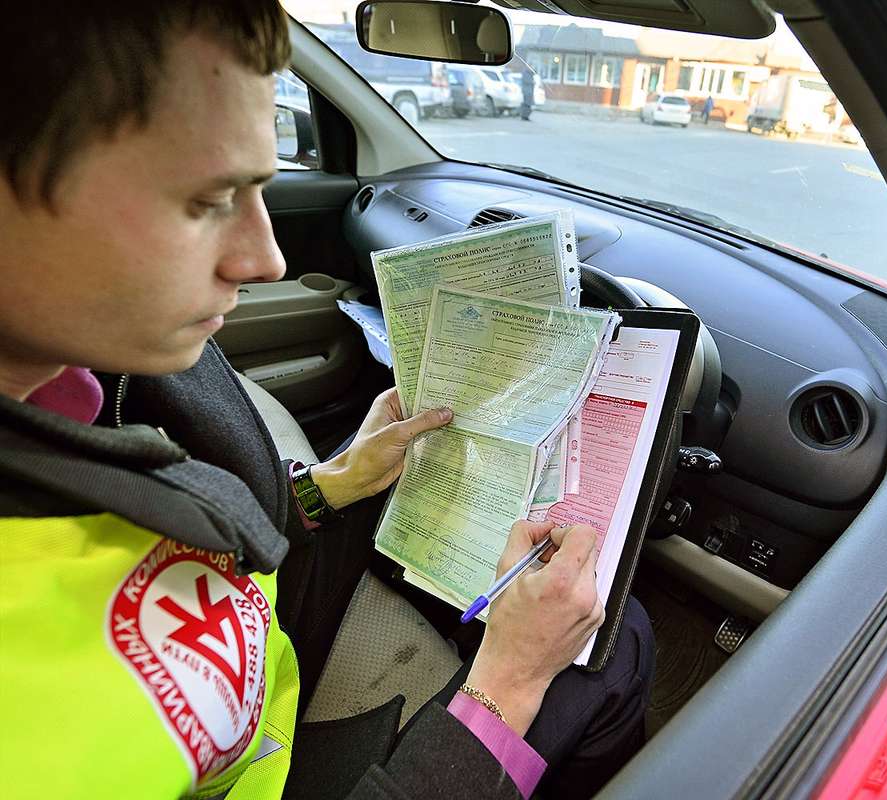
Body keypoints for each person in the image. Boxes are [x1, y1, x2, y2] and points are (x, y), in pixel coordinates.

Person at [0, 3, 653, 799]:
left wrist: (332, 483)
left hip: (250, 625)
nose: (265, 257)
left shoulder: (64, 388)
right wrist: (508, 683)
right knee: (611, 644)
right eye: (207, 201)